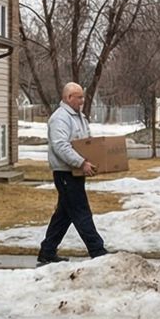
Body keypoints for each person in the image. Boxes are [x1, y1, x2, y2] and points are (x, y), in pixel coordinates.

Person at [38, 81, 109, 265]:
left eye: (82, 97)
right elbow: (61, 146)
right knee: (81, 211)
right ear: (69, 97)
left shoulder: (79, 117)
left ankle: (47, 251)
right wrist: (81, 162)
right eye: (79, 97)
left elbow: (85, 141)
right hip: (65, 173)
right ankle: (98, 251)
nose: (82, 101)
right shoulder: (60, 118)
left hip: (75, 173)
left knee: (64, 214)